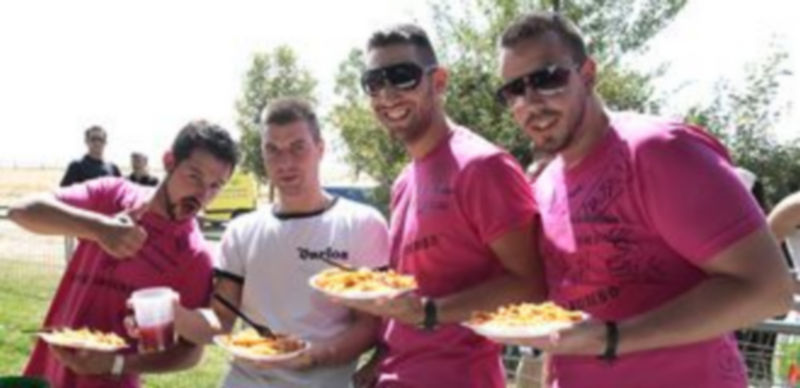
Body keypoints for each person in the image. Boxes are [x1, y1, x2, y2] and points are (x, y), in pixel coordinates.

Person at [495, 11, 793, 388]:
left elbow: (769, 290)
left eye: (547, 79)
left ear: (587, 74)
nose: (530, 101)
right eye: (513, 90)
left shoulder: (660, 151)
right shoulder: (544, 185)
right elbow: (567, 312)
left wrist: (612, 338)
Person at [339, 24, 545, 388]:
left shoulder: (482, 167)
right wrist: (381, 358)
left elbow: (532, 283)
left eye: (402, 76)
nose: (387, 94)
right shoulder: (404, 181)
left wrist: (429, 313)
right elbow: (412, 289)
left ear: (438, 81)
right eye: (374, 82)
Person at [172, 98, 390, 388]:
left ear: (320, 149)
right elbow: (221, 321)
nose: (285, 163)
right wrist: (173, 315)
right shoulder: (241, 230)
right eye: (272, 150)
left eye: (297, 147)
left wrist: (313, 357)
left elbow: (369, 323)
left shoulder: (362, 223)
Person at [9, 120, 239, 387]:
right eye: (194, 176)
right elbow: (22, 211)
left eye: (216, 186)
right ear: (169, 161)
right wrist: (99, 228)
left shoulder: (195, 256)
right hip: (47, 372)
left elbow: (190, 353)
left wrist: (118, 364)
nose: (202, 195)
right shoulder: (112, 195)